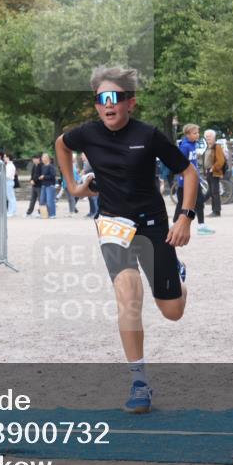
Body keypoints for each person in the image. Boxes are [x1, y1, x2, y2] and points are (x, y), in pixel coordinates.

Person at [55, 66, 196, 414]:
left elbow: (188, 173)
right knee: (129, 295)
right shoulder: (86, 134)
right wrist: (74, 186)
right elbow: (61, 145)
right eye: (101, 99)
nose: (108, 105)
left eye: (115, 98)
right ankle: (139, 382)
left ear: (130, 102)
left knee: (172, 311)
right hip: (113, 223)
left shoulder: (149, 135)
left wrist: (184, 218)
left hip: (153, 224)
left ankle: (176, 277)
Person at [174, 124, 214, 234]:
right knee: (181, 204)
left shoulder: (193, 145)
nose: (197, 135)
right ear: (187, 134)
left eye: (197, 132)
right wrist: (184, 178)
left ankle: (201, 226)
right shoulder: (185, 147)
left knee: (199, 202)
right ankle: (174, 224)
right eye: (194, 133)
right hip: (185, 182)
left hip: (195, 180)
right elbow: (180, 164)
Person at [202, 129, 226, 217]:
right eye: (206, 136)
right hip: (208, 172)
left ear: (214, 137)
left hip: (214, 172)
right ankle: (202, 206)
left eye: (210, 136)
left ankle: (216, 211)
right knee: (211, 192)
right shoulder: (208, 147)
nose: (208, 138)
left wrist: (213, 167)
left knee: (214, 192)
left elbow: (221, 160)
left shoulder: (217, 147)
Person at [37, 153, 57, 218]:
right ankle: (43, 213)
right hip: (44, 185)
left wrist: (44, 176)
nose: (42, 159)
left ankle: (52, 214)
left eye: (43, 157)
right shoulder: (43, 166)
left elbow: (53, 176)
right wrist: (41, 177)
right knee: (42, 200)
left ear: (47, 158)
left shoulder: (51, 166)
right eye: (42, 157)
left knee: (50, 201)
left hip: (50, 186)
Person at [80, 153, 99, 217]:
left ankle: (96, 213)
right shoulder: (85, 162)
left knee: (94, 198)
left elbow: (86, 170)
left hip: (92, 182)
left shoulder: (88, 161)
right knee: (90, 199)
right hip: (88, 182)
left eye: (82, 155)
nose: (81, 157)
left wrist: (83, 171)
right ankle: (91, 212)